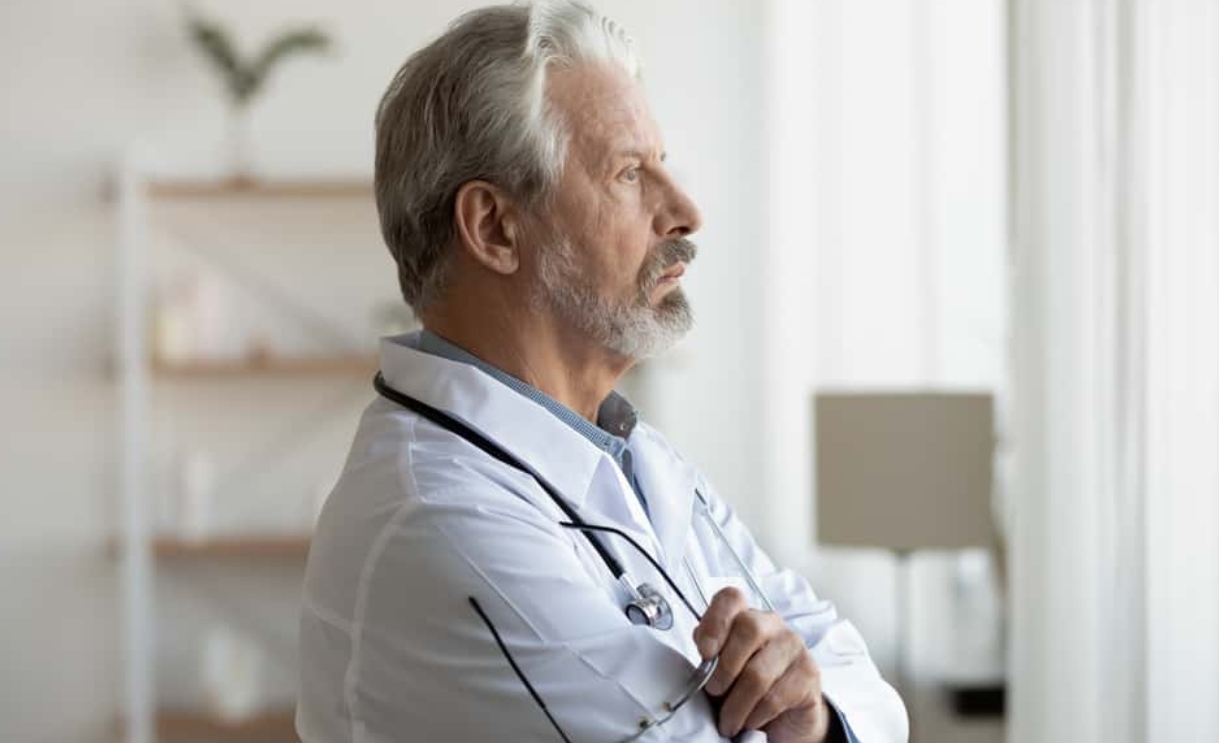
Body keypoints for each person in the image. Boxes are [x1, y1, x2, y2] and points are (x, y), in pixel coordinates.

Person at [296, 2, 907, 741]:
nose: (683, 211)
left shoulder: (635, 456)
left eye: (662, 165)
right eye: (627, 173)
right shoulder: (444, 522)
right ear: (494, 228)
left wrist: (811, 716)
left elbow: (856, 675)